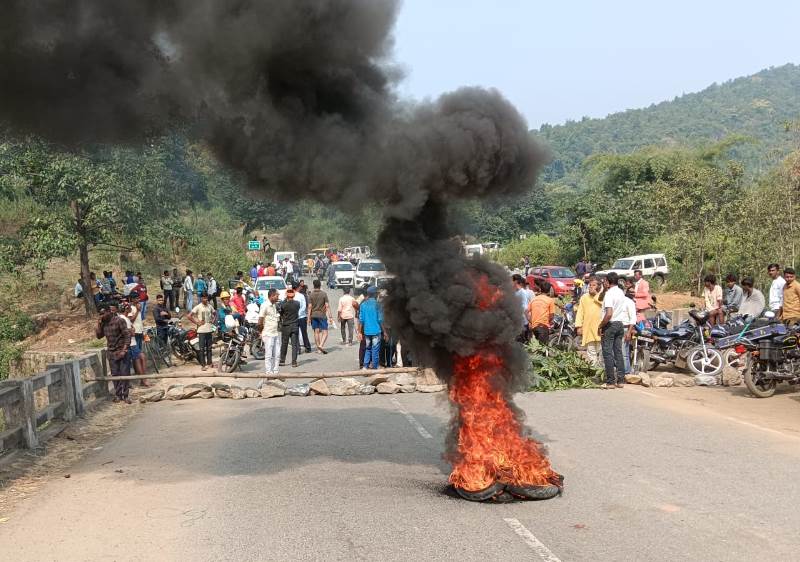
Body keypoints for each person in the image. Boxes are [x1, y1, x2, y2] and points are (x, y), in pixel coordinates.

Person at [95, 301, 132, 403]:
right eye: (100, 314)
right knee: (115, 374)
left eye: (103, 313)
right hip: (111, 352)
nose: (102, 316)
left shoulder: (119, 321)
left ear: (109, 311)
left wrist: (124, 350)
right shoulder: (103, 323)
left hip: (121, 350)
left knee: (124, 373)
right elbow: (99, 336)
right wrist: (98, 323)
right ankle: (118, 395)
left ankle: (126, 395)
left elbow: (127, 336)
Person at [599, 272, 627, 389]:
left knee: (608, 353)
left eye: (604, 281)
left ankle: (610, 381)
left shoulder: (610, 294)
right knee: (618, 352)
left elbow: (609, 314)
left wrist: (600, 326)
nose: (603, 283)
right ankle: (620, 380)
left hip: (610, 324)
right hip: (620, 324)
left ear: (608, 281)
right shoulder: (620, 292)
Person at [575, 277, 603, 367]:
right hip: (588, 328)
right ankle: (594, 370)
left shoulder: (603, 295)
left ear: (599, 287)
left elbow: (605, 305)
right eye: (590, 285)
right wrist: (579, 326)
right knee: (591, 351)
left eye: (593, 285)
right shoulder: (584, 297)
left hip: (600, 329)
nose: (591, 287)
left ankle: (602, 370)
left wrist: (596, 295)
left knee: (601, 351)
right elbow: (580, 312)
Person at [187, 292, 216, 371]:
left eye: (206, 298)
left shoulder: (210, 306)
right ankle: (203, 364)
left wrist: (213, 321)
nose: (205, 299)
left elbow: (215, 313)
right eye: (203, 298)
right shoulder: (198, 307)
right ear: (201, 298)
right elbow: (189, 316)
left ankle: (209, 363)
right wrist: (197, 322)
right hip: (201, 330)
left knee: (209, 348)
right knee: (202, 348)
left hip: (209, 329)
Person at [126, 292, 148, 387]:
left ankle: (141, 378)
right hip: (133, 335)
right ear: (131, 299)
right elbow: (130, 320)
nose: (138, 300)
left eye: (138, 298)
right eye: (136, 298)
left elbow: (139, 321)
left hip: (139, 332)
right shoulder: (131, 309)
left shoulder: (138, 307)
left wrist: (143, 332)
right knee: (138, 357)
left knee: (138, 357)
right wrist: (138, 311)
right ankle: (142, 379)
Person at [359, 286, 384, 369]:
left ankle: (365, 367)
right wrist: (385, 332)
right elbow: (380, 320)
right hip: (376, 331)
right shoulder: (378, 305)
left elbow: (361, 320)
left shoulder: (363, 305)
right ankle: (375, 368)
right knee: (375, 350)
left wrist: (359, 332)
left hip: (366, 332)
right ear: (375, 294)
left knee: (367, 349)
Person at [258, 288, 282, 376]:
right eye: (277, 295)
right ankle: (268, 372)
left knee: (277, 353)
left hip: (275, 332)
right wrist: (261, 332)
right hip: (268, 333)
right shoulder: (265, 305)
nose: (278, 297)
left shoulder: (274, 305)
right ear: (271, 296)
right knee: (269, 354)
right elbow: (260, 320)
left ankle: (275, 371)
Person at [308, 279, 334, 354]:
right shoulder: (324, 294)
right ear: (320, 285)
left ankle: (318, 349)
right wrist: (330, 317)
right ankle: (321, 345)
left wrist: (308, 318)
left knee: (316, 332)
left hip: (313, 315)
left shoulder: (311, 295)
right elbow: (327, 306)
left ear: (314, 285)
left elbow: (309, 307)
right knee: (325, 332)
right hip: (322, 315)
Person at [279, 288, 301, 367]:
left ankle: (282, 361)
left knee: (284, 344)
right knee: (294, 345)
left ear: (287, 296)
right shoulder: (297, 303)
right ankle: (294, 362)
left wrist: (285, 298)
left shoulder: (283, 304)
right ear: (294, 295)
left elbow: (280, 312)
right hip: (295, 325)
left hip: (286, 326)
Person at [528, 280, 555, 345]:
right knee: (543, 348)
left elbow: (526, 311)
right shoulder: (550, 300)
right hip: (543, 326)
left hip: (534, 327)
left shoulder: (534, 299)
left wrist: (531, 321)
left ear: (540, 289)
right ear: (549, 290)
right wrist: (550, 322)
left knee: (538, 346)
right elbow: (551, 315)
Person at [512, 274, 532, 343]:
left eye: (512, 281)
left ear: (515, 281)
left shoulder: (522, 293)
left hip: (522, 322)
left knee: (521, 342)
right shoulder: (515, 292)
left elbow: (525, 308)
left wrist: (529, 320)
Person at [293, 283, 312, 354]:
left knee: (296, 333)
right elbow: (304, 306)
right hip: (302, 317)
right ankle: (307, 347)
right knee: (304, 333)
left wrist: (296, 314)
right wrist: (299, 313)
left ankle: (298, 349)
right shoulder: (301, 296)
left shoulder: (292, 295)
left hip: (295, 317)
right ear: (298, 287)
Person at [622, 291, 637, 375]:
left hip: (625, 329)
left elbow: (633, 318)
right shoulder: (613, 301)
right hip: (614, 328)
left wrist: (629, 331)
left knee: (624, 353)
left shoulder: (628, 302)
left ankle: (626, 372)